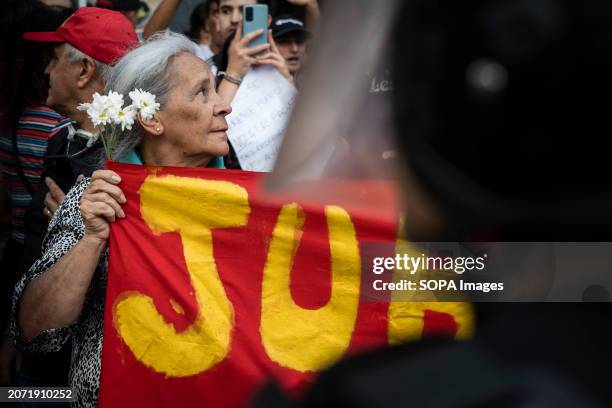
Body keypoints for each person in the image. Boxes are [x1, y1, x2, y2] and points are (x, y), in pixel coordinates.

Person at [11, 31, 232, 407]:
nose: (225, 106)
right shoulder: (96, 200)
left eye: (216, 89)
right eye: (202, 92)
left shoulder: (243, 201)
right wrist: (93, 239)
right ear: (152, 119)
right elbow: (34, 332)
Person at [0, 0, 73, 387]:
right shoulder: (57, 128)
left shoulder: (10, 118)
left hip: (13, 252)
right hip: (44, 255)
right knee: (48, 376)